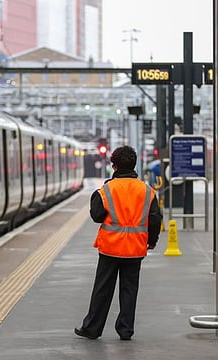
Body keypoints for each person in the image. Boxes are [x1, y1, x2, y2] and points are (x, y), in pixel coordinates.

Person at [75, 145, 162, 341]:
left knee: (102, 289)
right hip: (135, 249)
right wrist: (152, 240)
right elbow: (155, 218)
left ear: (114, 166)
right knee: (130, 289)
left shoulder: (106, 190)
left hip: (110, 248)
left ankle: (92, 329)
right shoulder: (147, 191)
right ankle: (125, 330)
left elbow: (97, 216)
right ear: (134, 165)